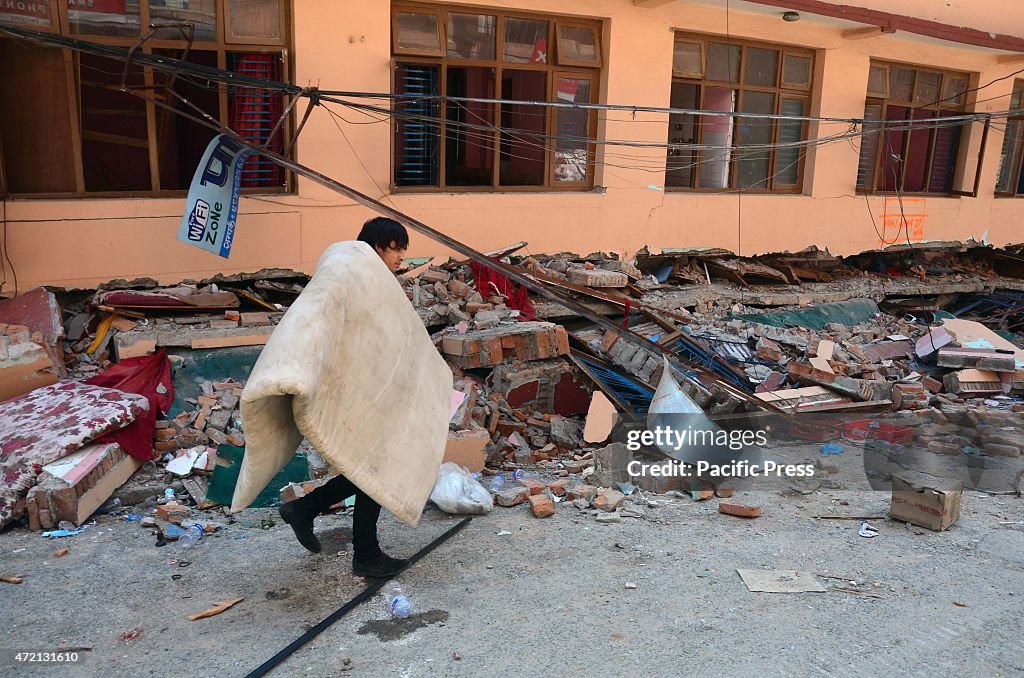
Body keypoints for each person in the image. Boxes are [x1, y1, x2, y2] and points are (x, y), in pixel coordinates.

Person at [279, 216, 410, 578]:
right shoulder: (354, 279)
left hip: (367, 389)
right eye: (396, 248)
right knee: (373, 472)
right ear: (378, 246)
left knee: (367, 469)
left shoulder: (370, 282)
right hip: (357, 391)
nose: (401, 257)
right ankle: (365, 555)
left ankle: (305, 509)